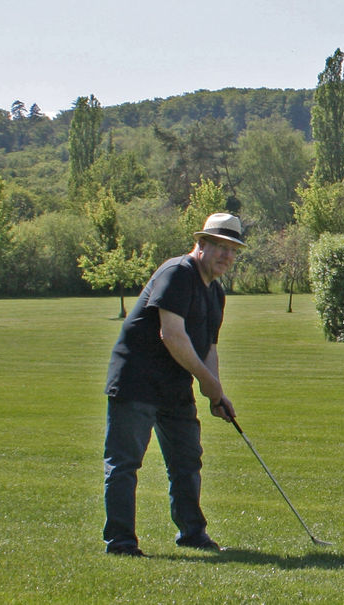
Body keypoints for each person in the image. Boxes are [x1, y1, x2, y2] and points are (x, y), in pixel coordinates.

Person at [102, 213, 246, 557]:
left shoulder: (216, 293)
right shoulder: (177, 274)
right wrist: (207, 382)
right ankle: (121, 542)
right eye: (220, 248)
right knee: (124, 464)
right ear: (202, 245)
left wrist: (217, 393)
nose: (226, 256)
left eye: (232, 250)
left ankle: (193, 534)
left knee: (187, 461)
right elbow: (172, 335)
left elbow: (208, 347)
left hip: (173, 387)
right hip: (136, 382)